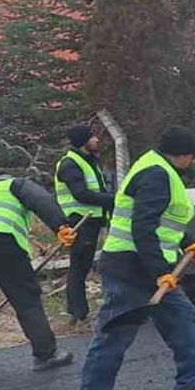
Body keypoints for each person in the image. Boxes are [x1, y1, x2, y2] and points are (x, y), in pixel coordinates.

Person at [70, 127, 195, 390]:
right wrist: (160, 272)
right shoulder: (157, 174)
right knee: (113, 337)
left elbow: (162, 222)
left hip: (150, 270)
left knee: (185, 322)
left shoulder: (157, 168)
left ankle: (190, 389)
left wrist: (186, 241)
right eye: (191, 157)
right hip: (130, 271)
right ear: (184, 155)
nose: (191, 162)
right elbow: (142, 227)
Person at [0, 175, 78, 380]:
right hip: (1, 240)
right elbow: (40, 199)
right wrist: (60, 226)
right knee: (26, 299)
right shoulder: (14, 185)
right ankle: (47, 353)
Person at [54, 124, 115, 328]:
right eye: (92, 137)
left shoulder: (87, 161)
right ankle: (78, 314)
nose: (97, 139)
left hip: (91, 220)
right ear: (83, 141)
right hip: (79, 220)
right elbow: (81, 194)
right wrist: (112, 200)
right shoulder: (70, 164)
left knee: (82, 266)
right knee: (79, 267)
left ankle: (78, 313)